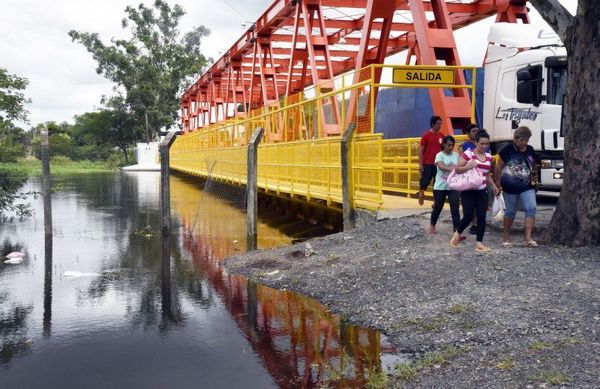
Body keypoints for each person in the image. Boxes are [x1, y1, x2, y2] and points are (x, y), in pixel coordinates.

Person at [450, 130, 500, 252]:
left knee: (482, 216)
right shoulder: (468, 154)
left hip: (481, 190)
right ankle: (457, 233)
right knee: (467, 216)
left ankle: (479, 243)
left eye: (486, 144)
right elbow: (457, 169)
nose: (484, 146)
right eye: (481, 143)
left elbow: (487, 174)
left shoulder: (488, 157)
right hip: (468, 190)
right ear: (476, 142)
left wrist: (493, 185)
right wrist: (467, 167)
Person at [495, 126, 538, 247]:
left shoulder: (530, 150)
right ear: (515, 139)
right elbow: (498, 167)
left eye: (526, 140)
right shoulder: (508, 150)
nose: (524, 142)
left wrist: (535, 182)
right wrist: (497, 184)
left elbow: (533, 166)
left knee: (531, 208)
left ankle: (528, 238)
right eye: (521, 140)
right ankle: (506, 237)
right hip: (510, 187)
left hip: (527, 186)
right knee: (510, 211)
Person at [429, 135, 460, 234]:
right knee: (438, 207)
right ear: (444, 144)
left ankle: (456, 230)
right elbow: (441, 166)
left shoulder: (456, 155)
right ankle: (432, 224)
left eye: (452, 145)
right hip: (440, 186)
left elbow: (461, 166)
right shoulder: (439, 155)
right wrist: (453, 169)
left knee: (455, 208)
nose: (451, 147)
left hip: (453, 186)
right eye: (449, 145)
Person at [418, 115, 444, 205]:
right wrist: (420, 164)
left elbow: (444, 149)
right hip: (427, 163)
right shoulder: (426, 135)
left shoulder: (442, 136)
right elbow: (421, 150)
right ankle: (421, 192)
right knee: (425, 180)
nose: (440, 126)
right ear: (433, 124)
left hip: (438, 164)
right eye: (438, 124)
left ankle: (435, 201)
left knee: (437, 183)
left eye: (441, 124)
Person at [461, 123, 480, 235]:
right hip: (469, 177)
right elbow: (460, 163)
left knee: (479, 203)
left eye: (477, 130)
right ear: (467, 134)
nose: (476, 132)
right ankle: (472, 224)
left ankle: (477, 223)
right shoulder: (464, 146)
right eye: (473, 131)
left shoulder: (484, 145)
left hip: (481, 177)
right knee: (470, 203)